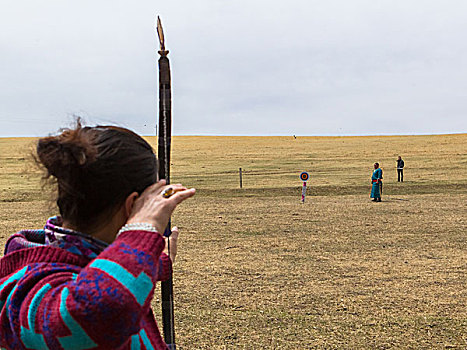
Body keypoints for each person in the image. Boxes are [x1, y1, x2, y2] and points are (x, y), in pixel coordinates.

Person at [0, 122, 195, 349]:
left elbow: (102, 265)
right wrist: (143, 229)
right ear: (132, 206)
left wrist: (157, 259)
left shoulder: (61, 257)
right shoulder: (24, 290)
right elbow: (92, 312)